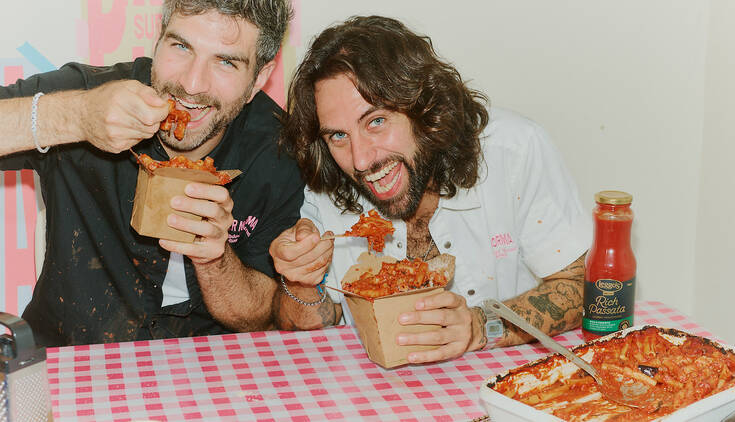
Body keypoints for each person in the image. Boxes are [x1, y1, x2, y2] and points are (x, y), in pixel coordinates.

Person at [270, 16, 591, 364]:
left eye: (376, 122)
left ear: (425, 108)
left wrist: (480, 326)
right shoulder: (329, 178)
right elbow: (306, 324)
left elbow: (581, 287)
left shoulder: (515, 152)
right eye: (338, 135)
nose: (360, 160)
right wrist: (301, 279)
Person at [0, 0, 304, 347]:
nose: (191, 84)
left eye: (225, 61)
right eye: (181, 46)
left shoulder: (278, 150)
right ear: (158, 43)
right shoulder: (92, 93)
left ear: (258, 80)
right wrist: (77, 117)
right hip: (70, 355)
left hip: (209, 371)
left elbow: (259, 315)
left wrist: (214, 259)